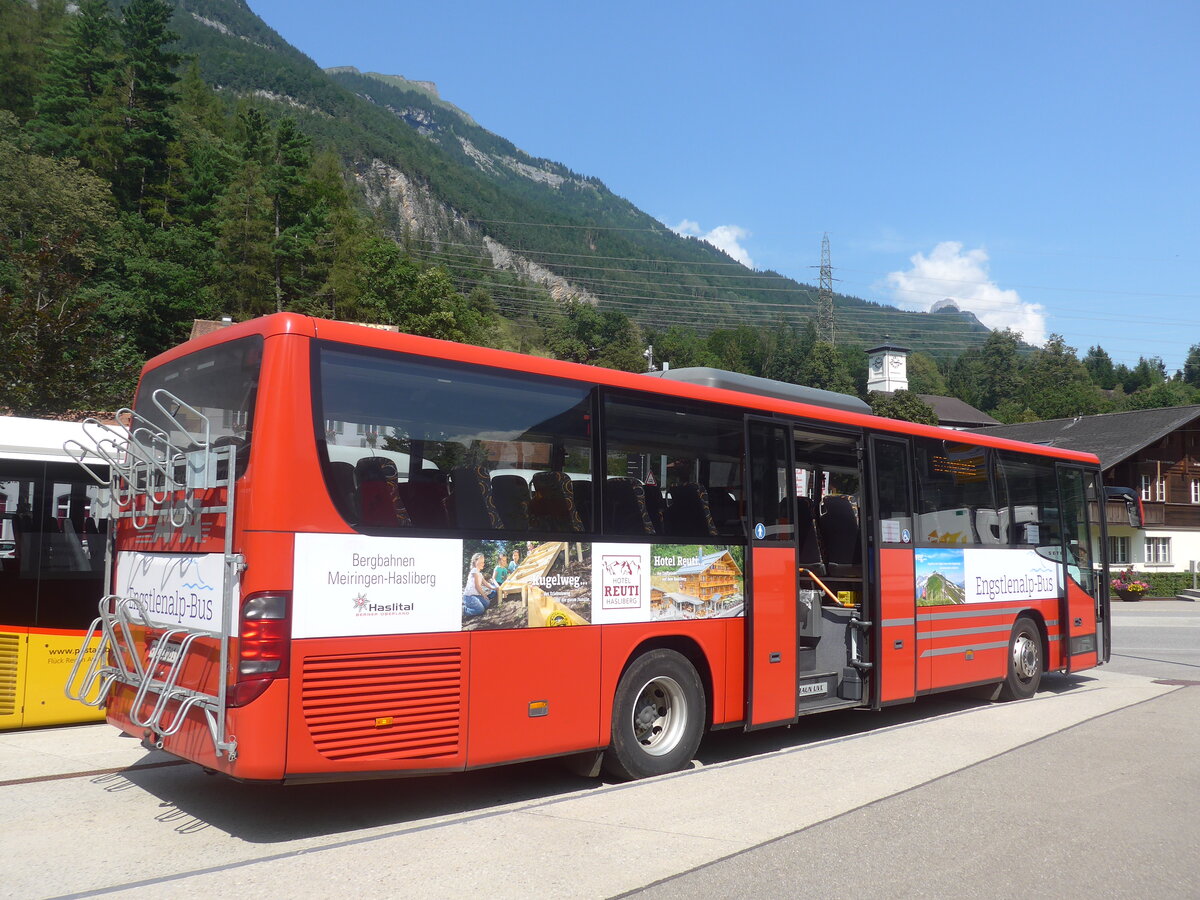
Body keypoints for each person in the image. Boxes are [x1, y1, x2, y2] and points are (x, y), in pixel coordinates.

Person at [462, 552, 498, 617]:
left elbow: (486, 583)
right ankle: (464, 610)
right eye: (481, 562)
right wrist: (484, 595)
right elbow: (477, 586)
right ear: (475, 561)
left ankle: (476, 604)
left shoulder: (480, 574)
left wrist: (494, 588)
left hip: (476, 596)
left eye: (483, 562)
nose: (483, 563)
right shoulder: (474, 570)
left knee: (487, 603)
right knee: (480, 610)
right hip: (469, 597)